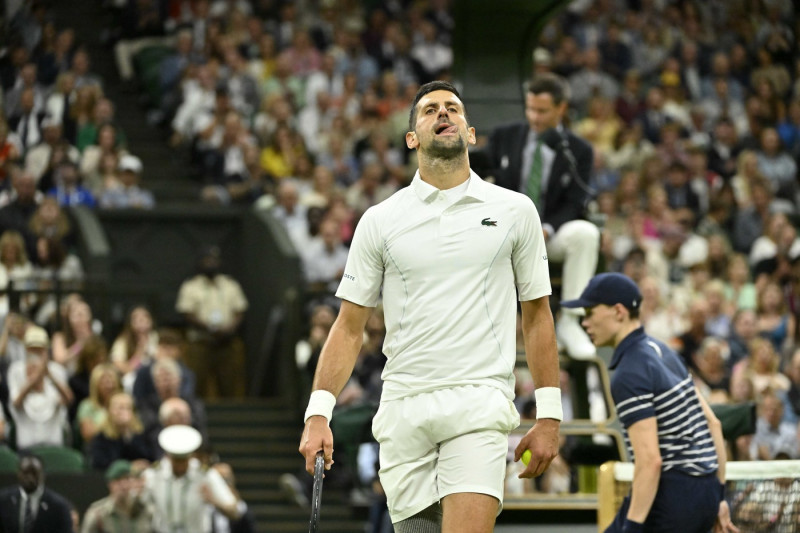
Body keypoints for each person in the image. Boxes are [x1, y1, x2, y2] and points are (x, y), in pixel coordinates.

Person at [298, 81, 562, 533]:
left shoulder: (515, 211)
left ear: (471, 132)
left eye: (453, 108)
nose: (444, 114)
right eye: (430, 110)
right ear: (412, 138)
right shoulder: (379, 221)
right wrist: (318, 413)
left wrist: (550, 415)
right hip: (404, 411)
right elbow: (347, 327)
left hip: (478, 403)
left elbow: (537, 315)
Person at [560, 273, 738, 532]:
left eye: (589, 312)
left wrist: (632, 527)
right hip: (707, 492)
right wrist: (719, 499)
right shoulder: (664, 350)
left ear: (618, 312)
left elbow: (650, 461)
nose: (585, 322)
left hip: (672, 497)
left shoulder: (629, 372)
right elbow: (714, 424)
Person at [487, 73, 600, 359]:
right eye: (530, 109)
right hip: (506, 234)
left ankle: (571, 322)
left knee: (586, 234)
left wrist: (547, 229)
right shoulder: (505, 137)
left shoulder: (579, 150)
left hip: (549, 234)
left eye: (542, 110)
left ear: (561, 108)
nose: (534, 117)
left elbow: (577, 202)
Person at [175, 245, 248, 399]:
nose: (211, 263)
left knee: (230, 385)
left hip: (226, 343)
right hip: (200, 342)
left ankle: (232, 417)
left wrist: (229, 329)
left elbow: (240, 310)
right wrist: (210, 328)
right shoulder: (191, 286)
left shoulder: (230, 284)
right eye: (207, 260)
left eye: (214, 260)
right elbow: (186, 313)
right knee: (196, 384)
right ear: (200, 262)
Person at [143, 425, 240, 533]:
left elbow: (235, 512)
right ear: (169, 456)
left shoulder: (205, 475)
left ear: (191, 456)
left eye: (183, 461)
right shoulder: (155, 474)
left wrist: (214, 501)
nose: (180, 466)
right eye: (176, 461)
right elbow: (135, 510)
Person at [0, 453, 73, 532]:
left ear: (43, 475)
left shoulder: (59, 506)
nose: (30, 478)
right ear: (18, 474)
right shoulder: (3, 501)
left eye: (34, 473)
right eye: (26, 473)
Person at [81, 459, 154, 533]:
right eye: (118, 480)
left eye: (127, 479)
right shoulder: (98, 515)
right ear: (110, 484)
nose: (124, 486)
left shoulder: (146, 511)